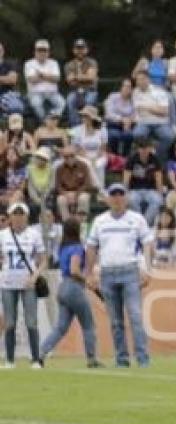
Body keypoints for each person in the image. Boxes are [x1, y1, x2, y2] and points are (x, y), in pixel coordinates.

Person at [85, 182, 154, 368]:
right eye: (113, 194)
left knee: (135, 316)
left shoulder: (137, 219)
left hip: (130, 270)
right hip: (107, 272)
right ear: (108, 198)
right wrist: (89, 273)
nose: (117, 198)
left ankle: (142, 358)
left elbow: (148, 243)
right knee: (115, 321)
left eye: (120, 194)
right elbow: (91, 247)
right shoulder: (100, 221)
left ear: (126, 197)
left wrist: (147, 268)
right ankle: (122, 359)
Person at [39, 217, 103, 367]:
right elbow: (74, 269)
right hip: (74, 287)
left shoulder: (63, 248)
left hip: (63, 287)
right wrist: (85, 279)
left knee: (60, 327)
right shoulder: (77, 248)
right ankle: (91, 359)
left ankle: (41, 353)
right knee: (88, 325)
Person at [0, 202, 46, 369]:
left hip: (28, 283)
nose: (18, 218)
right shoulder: (3, 235)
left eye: (21, 214)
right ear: (10, 217)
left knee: (31, 321)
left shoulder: (34, 235)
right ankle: (10, 360)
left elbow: (43, 260)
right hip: (7, 282)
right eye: (15, 214)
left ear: (26, 217)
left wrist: (34, 277)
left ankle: (35, 359)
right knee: (10, 322)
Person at [132, 69, 174, 158]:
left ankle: (154, 155)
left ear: (148, 79)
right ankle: (144, 157)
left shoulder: (159, 92)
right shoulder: (135, 92)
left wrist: (146, 107)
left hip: (160, 123)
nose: (140, 82)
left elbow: (164, 112)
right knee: (137, 134)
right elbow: (138, 110)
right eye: (138, 80)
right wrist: (155, 108)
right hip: (144, 122)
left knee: (169, 136)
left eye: (142, 79)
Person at [123, 137, 164, 226]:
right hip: (135, 190)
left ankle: (143, 224)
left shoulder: (155, 159)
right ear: (138, 149)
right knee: (132, 200)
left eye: (146, 147)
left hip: (150, 190)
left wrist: (160, 193)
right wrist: (125, 193)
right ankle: (141, 224)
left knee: (157, 201)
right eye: (141, 148)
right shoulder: (132, 159)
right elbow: (126, 179)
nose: (144, 150)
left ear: (150, 148)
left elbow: (158, 178)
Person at [24, 39, 65, 122]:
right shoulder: (29, 63)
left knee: (62, 103)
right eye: (39, 50)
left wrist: (41, 75)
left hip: (52, 93)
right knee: (36, 104)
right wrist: (49, 76)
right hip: (35, 93)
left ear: (48, 52)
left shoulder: (54, 63)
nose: (42, 53)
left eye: (44, 50)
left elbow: (57, 79)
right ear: (35, 51)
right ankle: (45, 123)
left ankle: (51, 119)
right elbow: (32, 79)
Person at [70, 105, 108, 189]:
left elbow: (103, 147)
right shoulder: (77, 130)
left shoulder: (102, 129)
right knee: (88, 163)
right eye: (83, 116)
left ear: (92, 118)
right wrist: (89, 158)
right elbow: (77, 148)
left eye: (86, 116)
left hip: (98, 154)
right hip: (82, 154)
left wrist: (96, 157)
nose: (83, 118)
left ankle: (99, 187)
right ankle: (97, 187)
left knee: (99, 163)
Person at [64, 38, 99, 126]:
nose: (80, 51)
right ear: (74, 50)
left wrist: (76, 77)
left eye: (82, 48)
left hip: (90, 90)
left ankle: (88, 126)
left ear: (86, 50)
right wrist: (85, 77)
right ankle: (76, 128)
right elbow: (70, 81)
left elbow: (91, 77)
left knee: (88, 102)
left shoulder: (92, 62)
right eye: (78, 48)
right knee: (70, 101)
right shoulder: (69, 64)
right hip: (74, 91)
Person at [54, 145, 95, 222]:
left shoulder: (83, 166)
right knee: (60, 199)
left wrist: (76, 194)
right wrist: (65, 194)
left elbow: (87, 183)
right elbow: (58, 185)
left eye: (72, 155)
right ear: (63, 157)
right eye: (66, 156)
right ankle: (67, 223)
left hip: (81, 192)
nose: (69, 158)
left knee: (83, 198)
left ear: (75, 155)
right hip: (66, 193)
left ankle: (81, 223)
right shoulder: (59, 169)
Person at [104, 77, 136, 157]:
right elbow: (109, 113)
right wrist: (122, 120)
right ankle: (115, 157)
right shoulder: (113, 97)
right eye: (124, 86)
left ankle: (125, 157)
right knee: (113, 135)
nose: (126, 89)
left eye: (129, 87)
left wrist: (129, 121)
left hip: (129, 125)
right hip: (113, 124)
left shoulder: (134, 100)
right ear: (121, 87)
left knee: (129, 135)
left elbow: (137, 114)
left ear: (132, 89)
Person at [0, 42, 25, 115]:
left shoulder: (11, 63)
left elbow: (12, 80)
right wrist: (4, 79)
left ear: (3, 52)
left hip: (7, 93)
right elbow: (8, 79)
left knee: (16, 106)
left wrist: (7, 79)